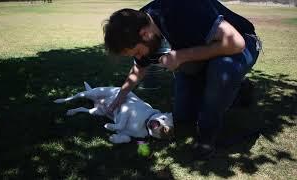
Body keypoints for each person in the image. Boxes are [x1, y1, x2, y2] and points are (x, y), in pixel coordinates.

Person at [102, 0, 261, 159]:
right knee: (183, 116)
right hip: (203, 51)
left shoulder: (181, 8)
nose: (139, 57)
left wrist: (180, 56)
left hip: (243, 42)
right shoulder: (138, 26)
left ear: (144, 34)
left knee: (222, 71)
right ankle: (239, 91)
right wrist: (120, 96)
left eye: (137, 52)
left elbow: (236, 43)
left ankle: (207, 137)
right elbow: (139, 69)